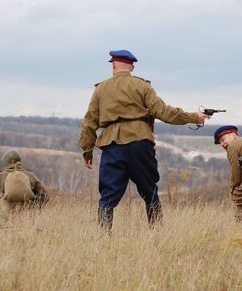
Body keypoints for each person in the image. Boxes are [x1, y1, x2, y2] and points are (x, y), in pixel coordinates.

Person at [79, 49, 207, 231]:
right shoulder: (143, 86)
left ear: (113, 65)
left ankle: (102, 238)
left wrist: (87, 151)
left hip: (112, 145)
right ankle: (157, 233)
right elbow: (164, 112)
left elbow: (89, 123)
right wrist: (194, 117)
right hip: (140, 142)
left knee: (108, 196)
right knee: (149, 191)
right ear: (132, 66)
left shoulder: (101, 89)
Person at [213, 125, 242, 220]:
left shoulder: (233, 146)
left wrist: (233, 188)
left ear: (233, 134)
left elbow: (236, 174)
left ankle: (240, 222)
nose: (222, 144)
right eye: (220, 143)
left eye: (223, 139)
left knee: (238, 194)